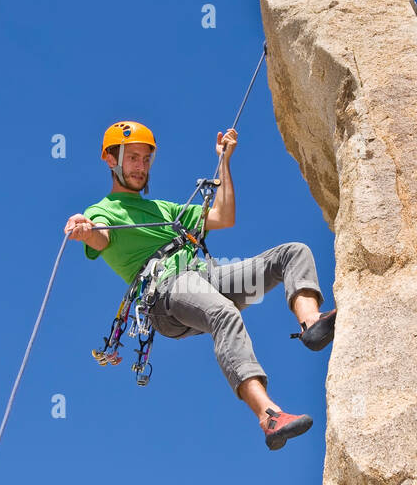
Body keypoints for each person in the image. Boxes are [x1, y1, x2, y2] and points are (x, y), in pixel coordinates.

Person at [64, 119, 336, 450]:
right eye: (132, 158)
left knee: (291, 254)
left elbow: (223, 216)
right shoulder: (104, 210)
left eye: (146, 158)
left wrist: (224, 160)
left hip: (204, 278)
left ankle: (312, 322)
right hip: (166, 294)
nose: (141, 166)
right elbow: (101, 234)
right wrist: (84, 228)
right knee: (224, 314)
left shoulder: (163, 209)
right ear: (111, 160)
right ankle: (269, 415)